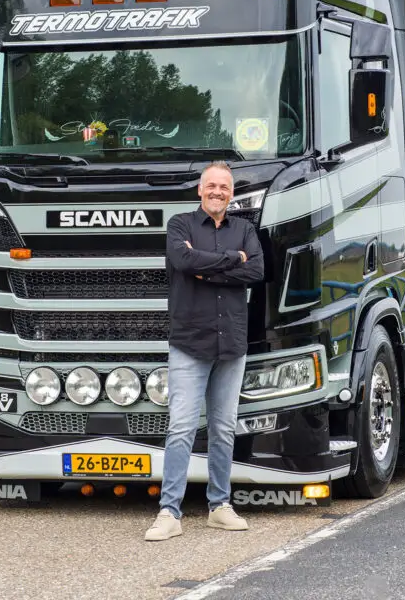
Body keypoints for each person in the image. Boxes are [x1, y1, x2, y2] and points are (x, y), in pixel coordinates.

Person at [144, 161, 265, 542]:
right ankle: (169, 512)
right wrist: (233, 261)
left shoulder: (244, 228)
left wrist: (209, 267)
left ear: (232, 193)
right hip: (189, 342)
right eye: (211, 185)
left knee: (223, 429)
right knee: (181, 427)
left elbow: (257, 271)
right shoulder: (180, 225)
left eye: (224, 187)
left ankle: (219, 506)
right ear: (200, 190)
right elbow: (183, 260)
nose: (217, 192)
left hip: (231, 343)